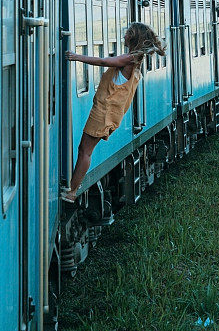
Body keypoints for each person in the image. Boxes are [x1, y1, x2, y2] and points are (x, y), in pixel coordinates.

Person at [61, 21, 166, 203]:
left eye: (127, 33)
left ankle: (72, 192)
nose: (124, 36)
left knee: (85, 151)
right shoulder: (135, 59)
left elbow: (103, 61)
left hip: (104, 112)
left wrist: (76, 57)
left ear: (133, 37)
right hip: (106, 112)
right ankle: (72, 188)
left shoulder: (130, 59)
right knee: (84, 150)